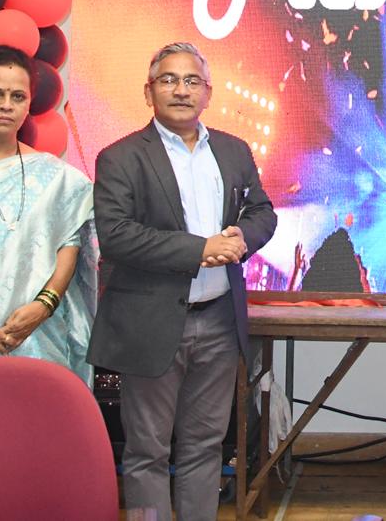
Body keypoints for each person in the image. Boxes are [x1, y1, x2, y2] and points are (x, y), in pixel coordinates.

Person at [89, 42, 277, 521]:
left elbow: (262, 210)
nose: (180, 90)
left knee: (205, 446)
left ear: (207, 93)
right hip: (149, 324)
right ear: (148, 91)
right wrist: (200, 249)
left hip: (219, 322)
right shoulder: (120, 157)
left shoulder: (233, 150)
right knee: (146, 451)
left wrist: (243, 237)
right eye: (168, 80)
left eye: (192, 81)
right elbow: (116, 236)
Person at [0, 45, 96, 380]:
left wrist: (44, 305)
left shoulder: (55, 176)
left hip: (37, 335)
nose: (6, 105)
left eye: (18, 96)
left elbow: (69, 244)